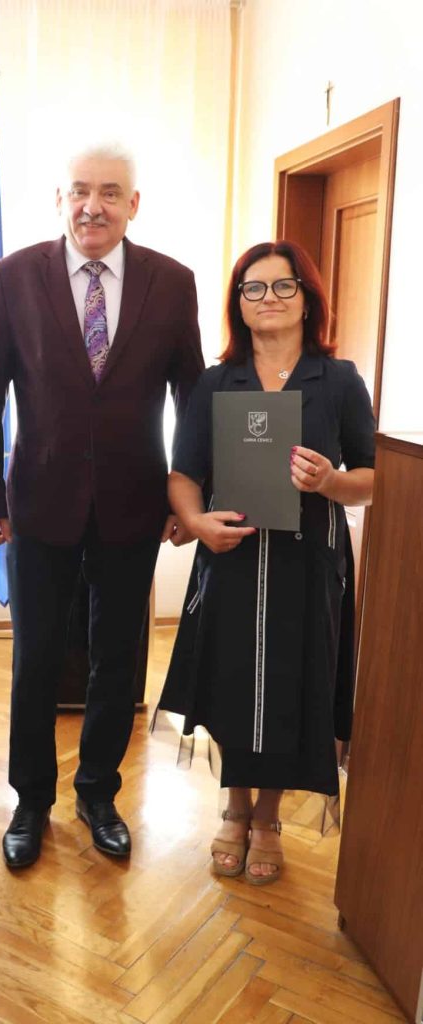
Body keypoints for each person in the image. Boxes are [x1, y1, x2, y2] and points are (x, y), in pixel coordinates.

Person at [0, 143, 204, 868]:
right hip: (38, 504)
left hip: (135, 504)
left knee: (116, 660)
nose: (91, 207)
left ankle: (99, 794)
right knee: (36, 657)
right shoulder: (14, 276)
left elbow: (192, 399)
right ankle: (31, 800)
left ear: (134, 204)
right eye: (78, 191)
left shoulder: (172, 282)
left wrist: (190, 495)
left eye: (108, 192)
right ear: (59, 200)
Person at [157, 240, 375, 884]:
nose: (268, 298)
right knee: (231, 677)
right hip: (231, 556)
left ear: (308, 299)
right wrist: (197, 523)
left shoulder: (338, 380)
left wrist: (330, 481)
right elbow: (183, 473)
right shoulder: (216, 382)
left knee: (292, 682)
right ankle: (233, 805)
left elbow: (373, 477)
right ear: (238, 303)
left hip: (309, 563)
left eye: (283, 286)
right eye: (253, 287)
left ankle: (268, 817)